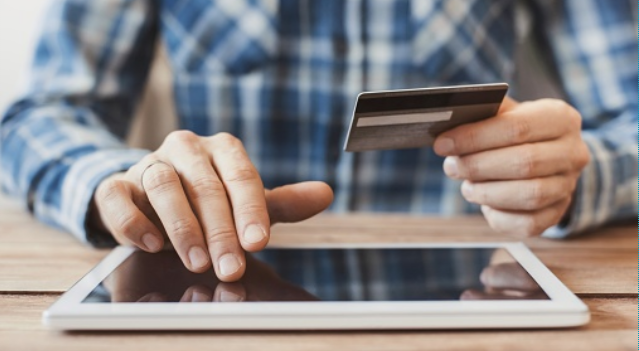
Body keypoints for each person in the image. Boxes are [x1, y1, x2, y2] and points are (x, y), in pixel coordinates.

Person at [1, 0, 636, 282]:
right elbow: (39, 115)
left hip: (460, 304)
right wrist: (124, 183)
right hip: (218, 299)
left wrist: (576, 177)